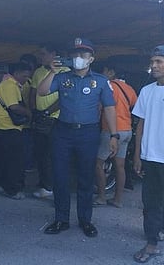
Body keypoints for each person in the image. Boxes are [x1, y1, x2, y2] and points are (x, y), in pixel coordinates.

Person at [38, 37, 117, 238]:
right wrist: (52, 71)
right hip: (63, 132)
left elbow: (109, 108)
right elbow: (42, 91)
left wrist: (114, 135)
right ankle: (61, 219)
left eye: (83, 54)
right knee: (60, 176)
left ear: (92, 58)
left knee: (85, 177)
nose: (78, 58)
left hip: (88, 133)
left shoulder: (100, 81)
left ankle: (85, 220)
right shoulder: (62, 77)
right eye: (75, 54)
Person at [131, 45, 164, 263]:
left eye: (159, 62)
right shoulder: (147, 90)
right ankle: (152, 243)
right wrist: (137, 156)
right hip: (151, 158)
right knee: (150, 203)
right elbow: (140, 125)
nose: (153, 66)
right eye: (152, 62)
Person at [94, 62, 137, 208]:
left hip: (112, 131)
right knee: (120, 166)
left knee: (98, 164)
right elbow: (134, 106)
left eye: (105, 70)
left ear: (111, 72)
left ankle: (101, 196)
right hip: (127, 130)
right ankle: (118, 200)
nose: (102, 73)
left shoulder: (107, 86)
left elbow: (100, 107)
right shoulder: (129, 88)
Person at [29, 44, 66, 199]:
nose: (41, 57)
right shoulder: (38, 71)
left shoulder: (65, 72)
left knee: (54, 155)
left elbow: (64, 97)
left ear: (54, 54)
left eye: (44, 54)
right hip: (39, 118)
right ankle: (45, 184)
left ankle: (52, 187)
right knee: (41, 154)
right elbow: (33, 92)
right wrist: (33, 112)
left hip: (55, 118)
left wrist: (47, 111)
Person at [0, 61, 33, 199]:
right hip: (9, 128)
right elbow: (14, 106)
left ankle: (0, 185)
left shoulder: (12, 84)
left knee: (5, 160)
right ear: (16, 74)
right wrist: (29, 113)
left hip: (4, 128)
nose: (26, 79)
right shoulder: (10, 85)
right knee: (14, 162)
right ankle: (12, 189)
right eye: (24, 76)